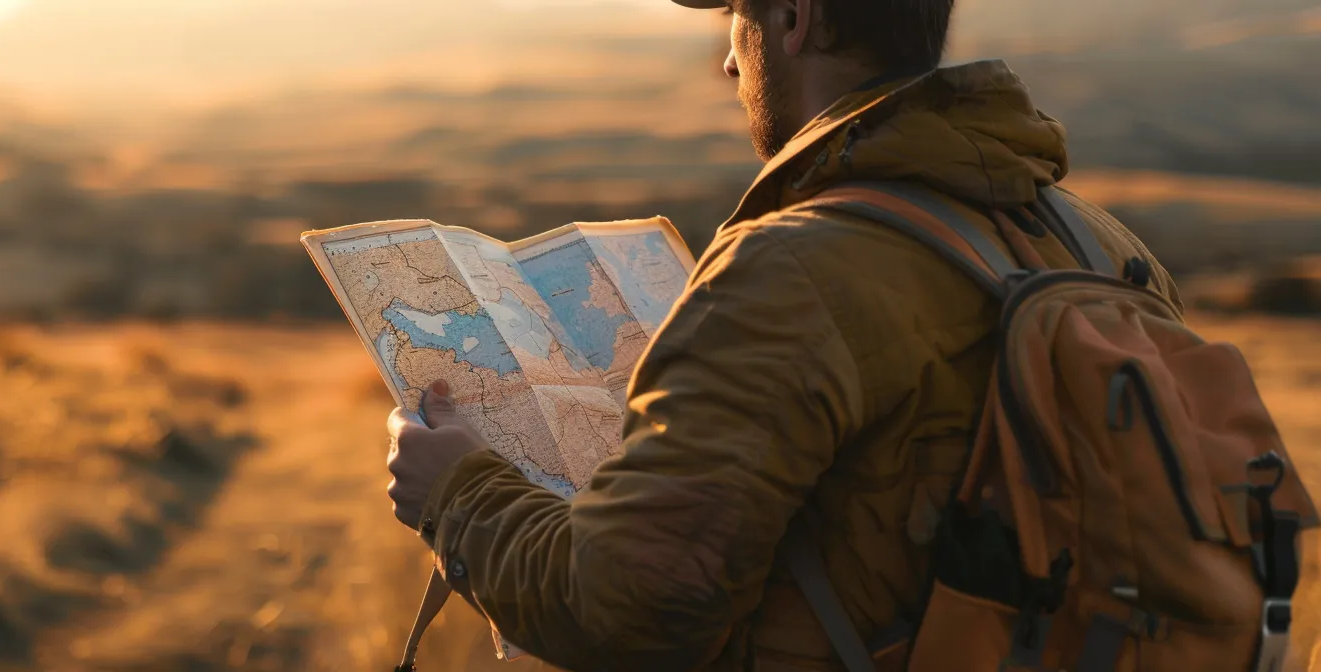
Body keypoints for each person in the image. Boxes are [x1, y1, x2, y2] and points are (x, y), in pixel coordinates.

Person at [382, 0, 1187, 669]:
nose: (730, 62)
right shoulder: (1102, 246)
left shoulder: (788, 270)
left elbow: (633, 611)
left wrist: (456, 493)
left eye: (738, 16)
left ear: (795, 19)